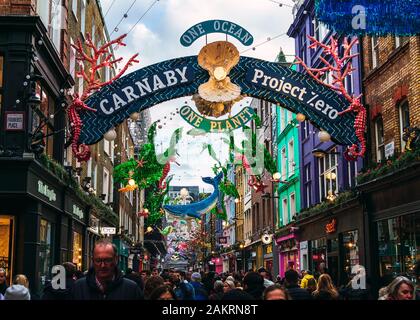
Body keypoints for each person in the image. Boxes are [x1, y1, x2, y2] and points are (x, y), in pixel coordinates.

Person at [72, 239, 143, 300]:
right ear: (93, 260)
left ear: (116, 260)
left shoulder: (131, 289)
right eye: (98, 260)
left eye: (108, 260)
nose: (102, 265)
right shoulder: (78, 288)